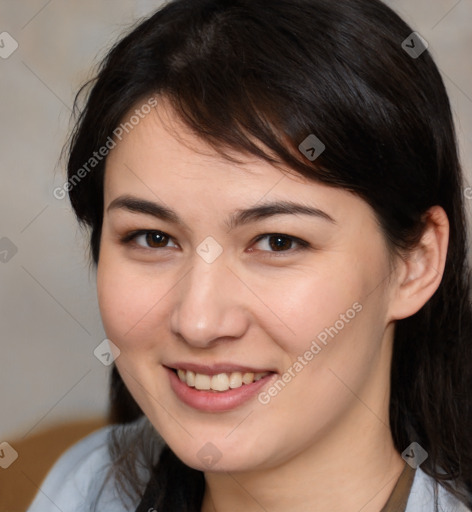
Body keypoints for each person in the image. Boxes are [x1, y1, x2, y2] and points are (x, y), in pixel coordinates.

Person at [27, 0, 472, 510]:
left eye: (278, 242)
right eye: (153, 238)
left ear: (415, 263)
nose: (198, 321)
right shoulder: (87, 486)